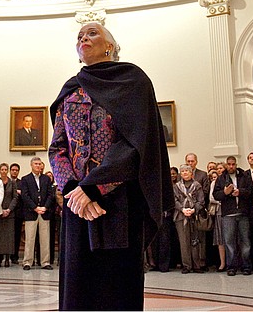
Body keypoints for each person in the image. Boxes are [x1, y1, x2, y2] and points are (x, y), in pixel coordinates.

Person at [49, 21, 172, 310]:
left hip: (118, 205)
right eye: (79, 36)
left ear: (110, 46)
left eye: (92, 33)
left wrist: (94, 187)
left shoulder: (133, 81)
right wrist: (72, 189)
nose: (84, 38)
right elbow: (57, 147)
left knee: (115, 289)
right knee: (78, 287)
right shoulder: (70, 89)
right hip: (76, 204)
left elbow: (136, 143)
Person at [213, 155, 253, 275]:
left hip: (243, 213)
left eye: (233, 164)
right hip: (228, 214)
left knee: (245, 241)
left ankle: (246, 266)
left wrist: (240, 192)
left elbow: (252, 191)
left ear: (236, 164)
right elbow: (216, 195)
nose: (231, 166)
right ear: (226, 165)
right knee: (229, 242)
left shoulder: (244, 176)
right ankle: (231, 267)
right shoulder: (221, 178)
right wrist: (225, 193)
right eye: (229, 164)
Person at [18, 156, 54, 270]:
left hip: (44, 212)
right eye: (36, 164)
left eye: (40, 164)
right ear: (31, 165)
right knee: (30, 238)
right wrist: (35, 207)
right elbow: (25, 195)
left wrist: (45, 207)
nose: (38, 166)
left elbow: (50, 195)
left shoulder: (46, 179)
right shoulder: (25, 179)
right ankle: (27, 262)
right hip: (31, 213)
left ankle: (45, 262)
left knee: (45, 239)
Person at [173, 164, 205, 274]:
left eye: (187, 171)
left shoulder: (197, 185)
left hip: (194, 216)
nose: (185, 173)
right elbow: (175, 200)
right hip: (181, 216)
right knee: (184, 241)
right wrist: (182, 209)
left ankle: (197, 265)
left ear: (191, 173)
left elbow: (201, 201)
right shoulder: (176, 186)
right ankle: (186, 265)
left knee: (195, 241)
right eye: (183, 171)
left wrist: (193, 210)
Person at [0, 162, 18, 266]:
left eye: (5, 169)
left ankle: (8, 258)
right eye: (2, 169)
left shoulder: (12, 182)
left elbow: (15, 197)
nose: (4, 171)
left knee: (9, 237)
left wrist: (9, 209)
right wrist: (0, 209)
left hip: (10, 213)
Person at [9, 163, 23, 265]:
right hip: (7, 212)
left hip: (18, 213)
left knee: (17, 235)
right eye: (13, 170)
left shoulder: (22, 183)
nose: (14, 171)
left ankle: (15, 256)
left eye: (16, 170)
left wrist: (20, 192)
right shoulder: (6, 181)